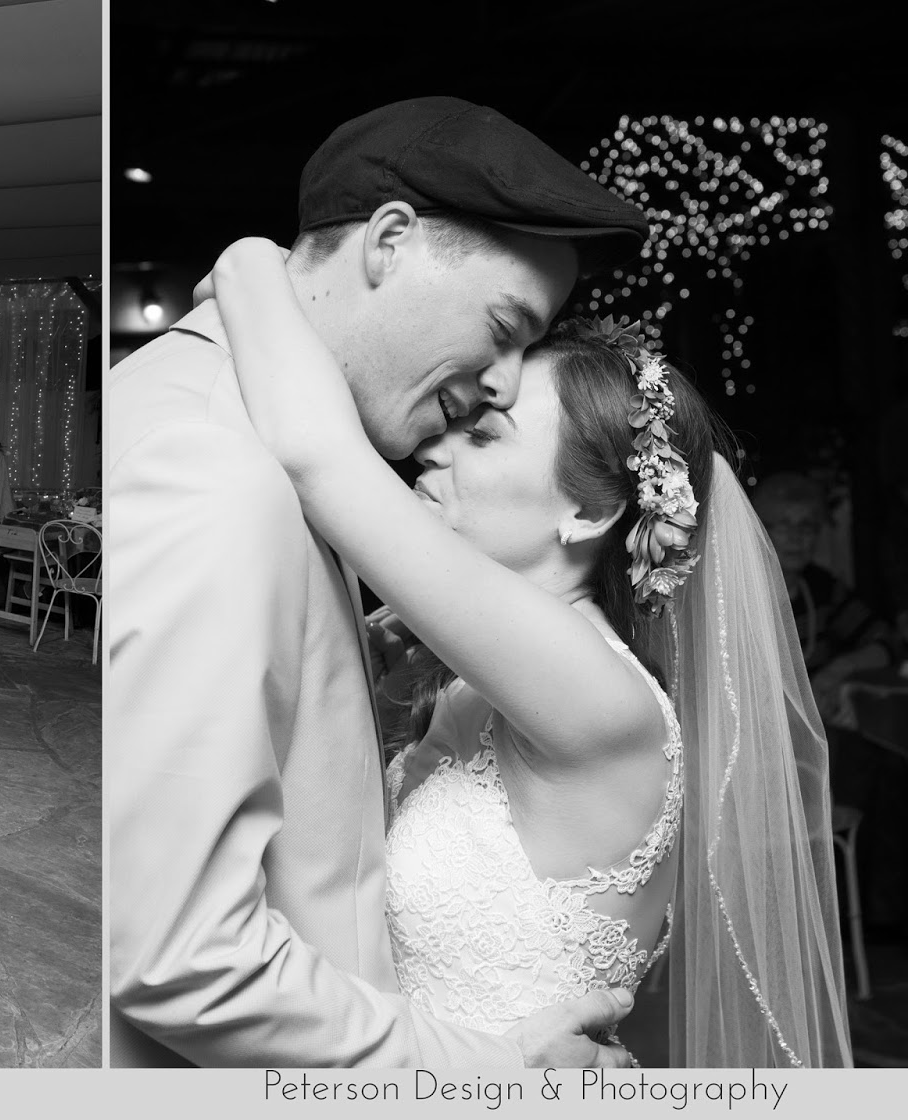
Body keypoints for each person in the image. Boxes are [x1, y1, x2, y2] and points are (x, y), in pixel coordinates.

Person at [109, 97, 668, 1070]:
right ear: (390, 239)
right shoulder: (218, 466)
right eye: (502, 326)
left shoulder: (287, 453)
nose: (495, 384)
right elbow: (176, 954)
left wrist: (246, 265)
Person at [208, 237, 854, 1066]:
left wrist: (255, 262)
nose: (434, 447)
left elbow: (317, 455)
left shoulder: (599, 696)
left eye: (484, 438)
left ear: (588, 515)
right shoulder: (476, 681)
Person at [753, 471, 899, 719]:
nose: (796, 537)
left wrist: (836, 671)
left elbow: (887, 642)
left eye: (806, 526)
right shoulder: (743, 595)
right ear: (760, 533)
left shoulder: (823, 588)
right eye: (784, 524)